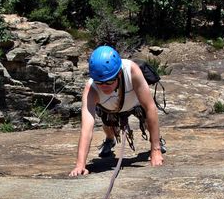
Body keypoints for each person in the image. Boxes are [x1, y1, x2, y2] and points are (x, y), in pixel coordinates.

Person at [69, 45, 164, 177]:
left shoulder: (131, 70)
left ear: (119, 73)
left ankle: (157, 140)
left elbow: (150, 107)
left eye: (109, 82)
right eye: (99, 82)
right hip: (110, 108)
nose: (104, 86)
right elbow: (86, 128)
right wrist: (80, 165)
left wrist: (155, 150)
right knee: (108, 127)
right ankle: (110, 139)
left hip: (135, 102)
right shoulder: (91, 90)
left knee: (147, 120)